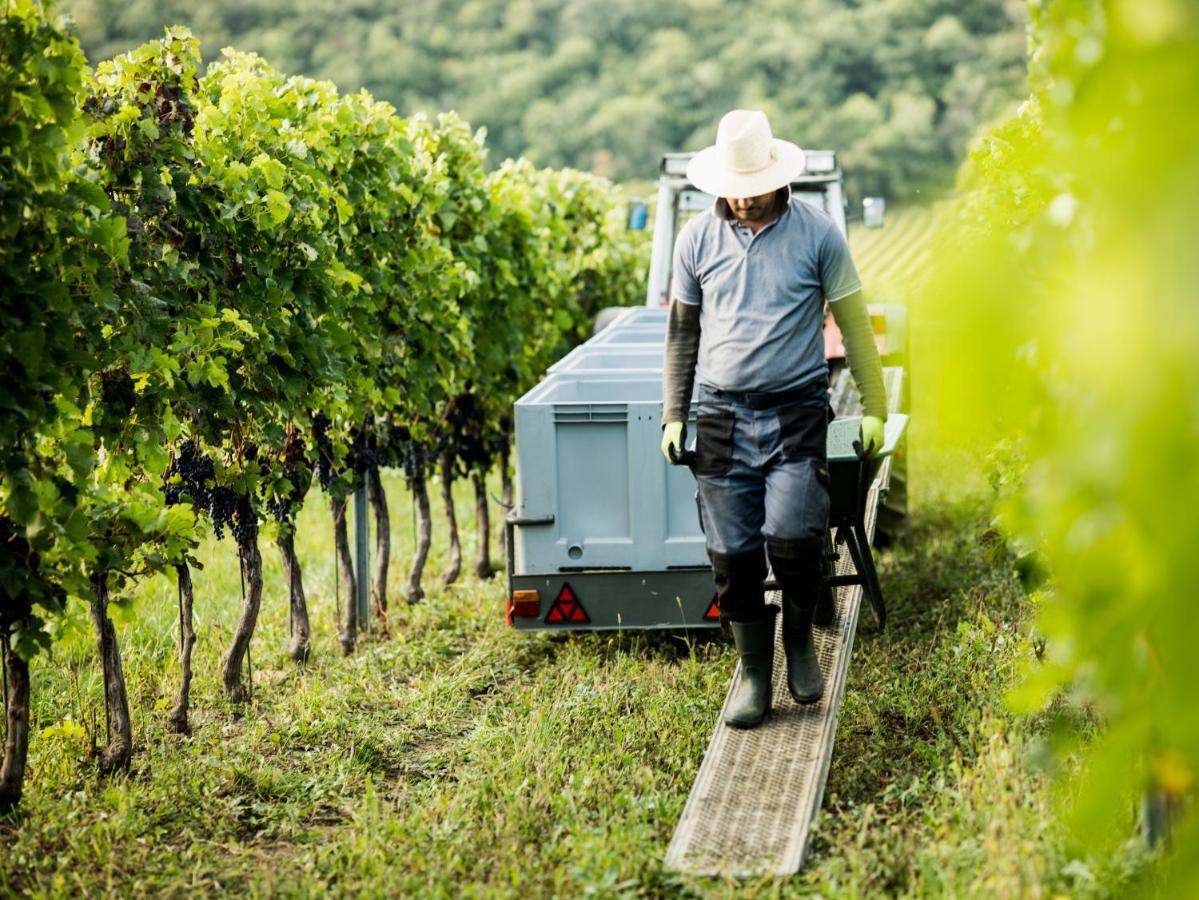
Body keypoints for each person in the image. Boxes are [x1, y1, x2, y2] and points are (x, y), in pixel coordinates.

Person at [660, 109, 887, 729]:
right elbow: (682, 333)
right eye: (731, 188)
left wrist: (876, 407)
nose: (741, 199)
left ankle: (799, 646)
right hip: (722, 417)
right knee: (732, 559)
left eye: (751, 186)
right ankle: (755, 675)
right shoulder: (695, 241)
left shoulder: (817, 236)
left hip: (795, 415)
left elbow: (857, 325)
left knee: (794, 542)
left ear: (776, 176)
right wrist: (673, 415)